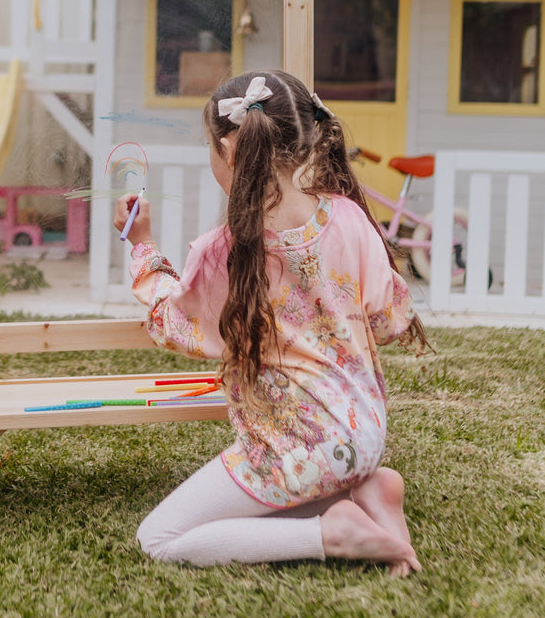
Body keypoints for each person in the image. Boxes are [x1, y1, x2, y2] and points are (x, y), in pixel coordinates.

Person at [113, 70, 431, 575]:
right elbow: (390, 320)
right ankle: (368, 486)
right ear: (306, 139)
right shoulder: (348, 217)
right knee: (313, 476)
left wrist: (142, 245)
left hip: (298, 449)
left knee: (160, 537)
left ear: (227, 149)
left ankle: (332, 531)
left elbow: (174, 323)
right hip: (363, 431)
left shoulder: (226, 251)